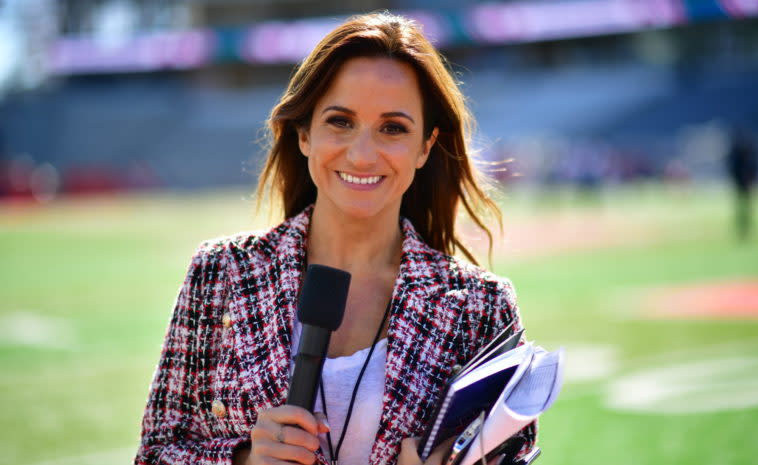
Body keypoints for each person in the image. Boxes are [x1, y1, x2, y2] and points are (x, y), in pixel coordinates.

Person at [135, 12, 536, 465]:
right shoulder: (222, 272)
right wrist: (243, 461)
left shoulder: (481, 306)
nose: (362, 154)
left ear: (425, 146)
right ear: (304, 133)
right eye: (340, 122)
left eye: (393, 128)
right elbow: (155, 453)